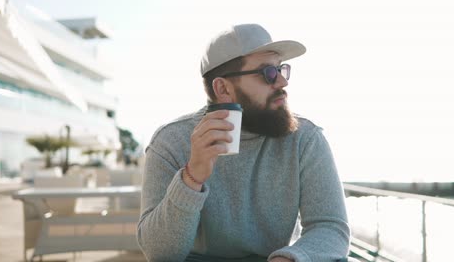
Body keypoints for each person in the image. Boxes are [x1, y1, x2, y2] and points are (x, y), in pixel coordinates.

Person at [137, 23, 351, 262]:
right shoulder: (171, 142)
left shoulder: (305, 138)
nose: (282, 82)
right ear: (223, 88)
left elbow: (331, 228)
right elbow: (159, 254)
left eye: (280, 69)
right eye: (268, 73)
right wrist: (191, 178)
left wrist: (290, 258)